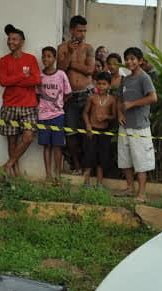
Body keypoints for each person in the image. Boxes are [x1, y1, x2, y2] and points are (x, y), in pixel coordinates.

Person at [0, 24, 41, 177]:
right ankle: (14, 173)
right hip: (9, 105)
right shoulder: (3, 60)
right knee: (12, 140)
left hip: (29, 105)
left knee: (28, 136)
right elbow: (3, 81)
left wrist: (14, 80)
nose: (11, 42)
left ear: (22, 42)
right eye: (9, 39)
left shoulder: (30, 59)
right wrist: (23, 76)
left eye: (14, 39)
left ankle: (8, 164)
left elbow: (35, 80)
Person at [117, 47, 158, 202]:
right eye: (127, 59)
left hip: (140, 127)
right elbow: (119, 98)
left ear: (140, 61)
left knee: (141, 161)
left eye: (133, 59)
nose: (129, 62)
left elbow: (153, 98)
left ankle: (142, 193)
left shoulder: (144, 78)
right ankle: (129, 188)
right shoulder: (126, 79)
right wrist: (120, 113)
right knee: (125, 158)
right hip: (124, 126)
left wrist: (132, 104)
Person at [57, 16, 95, 174]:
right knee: (71, 132)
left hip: (87, 94)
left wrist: (71, 63)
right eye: (80, 30)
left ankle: (88, 167)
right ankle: (77, 166)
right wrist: (70, 53)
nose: (82, 34)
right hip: (70, 96)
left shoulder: (89, 48)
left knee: (89, 132)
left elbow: (90, 70)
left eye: (85, 31)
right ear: (72, 30)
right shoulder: (62, 48)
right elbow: (60, 69)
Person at [36, 46, 72, 185]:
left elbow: (68, 94)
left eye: (49, 56)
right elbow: (37, 95)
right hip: (43, 116)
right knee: (47, 146)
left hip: (58, 115)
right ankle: (48, 175)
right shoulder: (39, 76)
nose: (46, 59)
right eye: (43, 56)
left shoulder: (61, 75)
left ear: (55, 58)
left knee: (57, 146)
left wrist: (58, 105)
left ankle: (57, 175)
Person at [81, 71, 116, 188]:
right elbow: (85, 113)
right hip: (92, 131)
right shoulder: (92, 98)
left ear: (109, 85)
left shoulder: (112, 100)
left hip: (104, 132)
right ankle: (86, 182)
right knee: (89, 156)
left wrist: (106, 117)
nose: (101, 86)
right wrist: (88, 126)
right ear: (96, 84)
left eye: (104, 84)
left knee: (102, 158)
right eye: (99, 84)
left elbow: (113, 116)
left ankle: (99, 184)